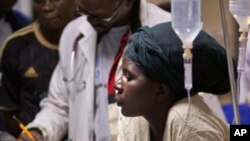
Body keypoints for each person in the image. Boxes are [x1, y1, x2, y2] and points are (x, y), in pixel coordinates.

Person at [16, 0, 171, 141]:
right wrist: (38, 132)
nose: (89, 22)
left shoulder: (166, 33)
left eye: (98, 16)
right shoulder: (74, 33)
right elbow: (59, 105)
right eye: (83, 12)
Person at [115, 22, 231, 141]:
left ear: (161, 91)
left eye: (128, 77)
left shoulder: (189, 123)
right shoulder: (133, 119)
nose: (117, 84)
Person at [0, 0, 77, 138]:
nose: (47, 7)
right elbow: (57, 108)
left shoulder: (91, 40)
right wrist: (33, 134)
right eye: (39, 0)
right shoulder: (16, 46)